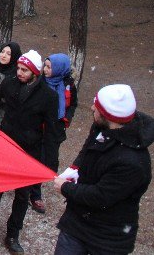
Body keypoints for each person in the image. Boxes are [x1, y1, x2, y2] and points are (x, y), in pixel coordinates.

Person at [53, 84, 153, 255]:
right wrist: (75, 167)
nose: (92, 107)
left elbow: (100, 196)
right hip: (76, 225)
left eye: (96, 106)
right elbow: (88, 148)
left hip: (107, 239)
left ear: (108, 115)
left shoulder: (132, 162)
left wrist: (65, 187)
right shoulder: (102, 126)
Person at [0, 50, 63, 254]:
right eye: (18, 68)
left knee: (22, 195)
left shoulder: (48, 96)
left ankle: (12, 234)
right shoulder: (10, 83)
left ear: (34, 72)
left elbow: (52, 132)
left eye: (24, 70)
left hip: (29, 149)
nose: (19, 72)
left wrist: (50, 165)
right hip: (7, 144)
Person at [30, 53, 77, 214]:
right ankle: (35, 194)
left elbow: (72, 104)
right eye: (45, 66)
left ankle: (34, 184)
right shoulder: (39, 82)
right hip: (39, 127)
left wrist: (66, 119)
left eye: (50, 67)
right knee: (36, 159)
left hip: (55, 130)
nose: (46, 69)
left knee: (50, 162)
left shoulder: (67, 83)